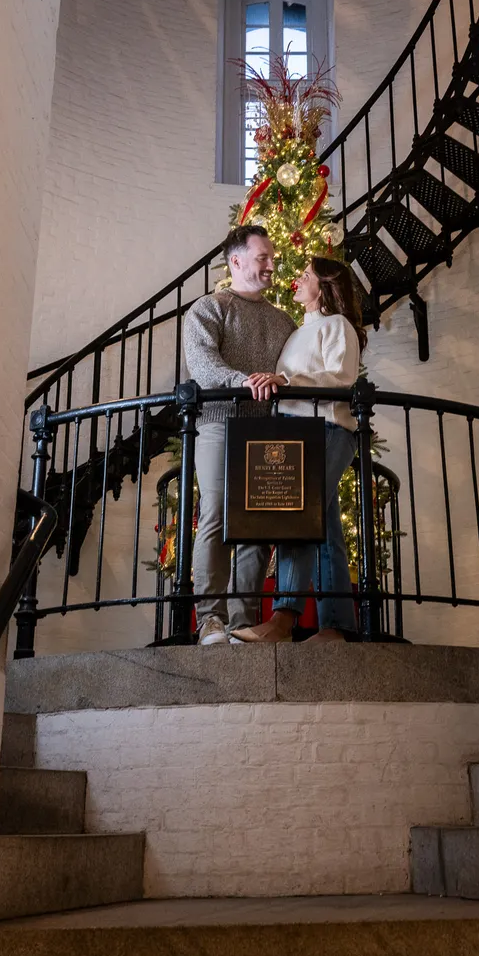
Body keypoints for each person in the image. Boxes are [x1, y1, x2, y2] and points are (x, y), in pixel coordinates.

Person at [231, 257, 366, 644]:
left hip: (326, 428)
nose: (297, 279)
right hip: (295, 433)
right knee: (325, 530)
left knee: (296, 520)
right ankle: (336, 627)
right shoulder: (295, 334)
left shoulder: (338, 326)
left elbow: (341, 377)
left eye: (306, 275)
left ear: (324, 286)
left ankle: (284, 620)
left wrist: (286, 379)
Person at [183, 225, 295, 644]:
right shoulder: (209, 308)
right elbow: (203, 365)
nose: (271, 264)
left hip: (266, 428)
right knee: (215, 511)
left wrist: (279, 378)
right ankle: (209, 619)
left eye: (271, 257)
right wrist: (246, 380)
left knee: (258, 524)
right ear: (236, 262)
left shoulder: (283, 320)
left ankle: (242, 622)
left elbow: (295, 370)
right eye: (262, 257)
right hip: (218, 421)